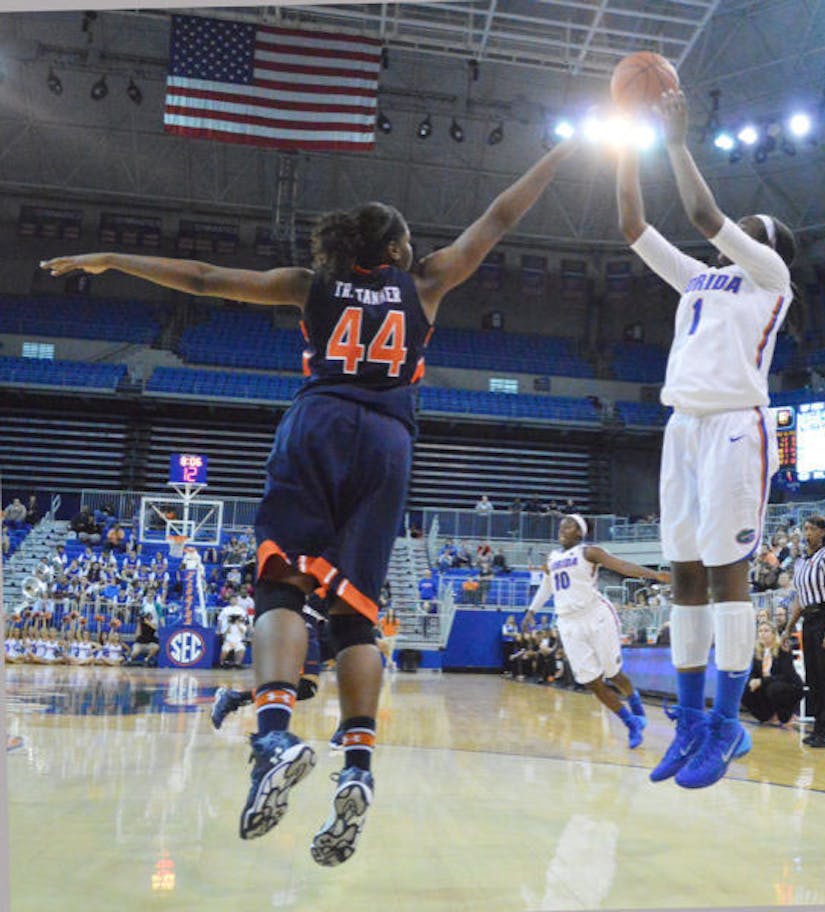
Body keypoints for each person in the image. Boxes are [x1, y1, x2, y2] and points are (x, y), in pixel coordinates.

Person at [43, 134, 579, 866]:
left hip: (321, 422)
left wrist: (114, 259)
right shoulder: (426, 285)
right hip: (391, 441)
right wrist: (558, 152)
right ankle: (356, 767)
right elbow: (500, 217)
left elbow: (202, 278)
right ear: (392, 247)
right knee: (354, 613)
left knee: (281, 585)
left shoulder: (310, 283)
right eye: (410, 237)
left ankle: (274, 734)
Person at [617, 88, 796, 787]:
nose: (737, 232)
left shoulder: (768, 280)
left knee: (727, 576)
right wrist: (627, 148)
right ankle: (690, 721)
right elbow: (633, 225)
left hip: (733, 428)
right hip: (682, 427)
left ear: (769, 248)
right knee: (684, 576)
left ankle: (727, 724)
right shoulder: (700, 279)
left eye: (752, 228)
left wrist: (676, 141)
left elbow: (700, 212)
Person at [525, 515, 669, 749]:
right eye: (562, 524)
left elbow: (621, 566)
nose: (563, 527)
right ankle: (630, 722)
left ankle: (635, 702)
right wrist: (531, 610)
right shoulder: (551, 558)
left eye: (569, 525)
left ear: (580, 533)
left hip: (596, 615)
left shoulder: (589, 552)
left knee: (612, 673)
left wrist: (653, 575)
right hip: (568, 623)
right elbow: (547, 586)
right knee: (591, 681)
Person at [781, 516, 825, 747]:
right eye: (805, 528)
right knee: (815, 675)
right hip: (809, 618)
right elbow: (800, 599)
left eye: (811, 529)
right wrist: (788, 628)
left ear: (822, 532)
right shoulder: (800, 562)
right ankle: (819, 726)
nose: (807, 533)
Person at [741, 620, 803, 725]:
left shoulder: (783, 649)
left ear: (774, 634)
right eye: (760, 631)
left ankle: (786, 716)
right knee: (745, 691)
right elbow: (754, 673)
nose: (762, 634)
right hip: (768, 683)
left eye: (766, 631)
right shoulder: (758, 652)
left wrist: (761, 681)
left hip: (789, 684)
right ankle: (767, 716)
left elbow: (786, 675)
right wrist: (751, 681)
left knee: (774, 688)